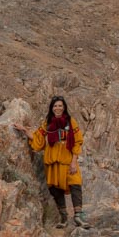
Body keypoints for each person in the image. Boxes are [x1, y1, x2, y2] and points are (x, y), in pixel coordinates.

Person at [14, 96, 89, 229]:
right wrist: (24, 130)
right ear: (51, 108)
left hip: (67, 160)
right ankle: (64, 217)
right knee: (55, 188)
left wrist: (73, 162)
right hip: (52, 161)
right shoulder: (47, 123)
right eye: (55, 106)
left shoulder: (71, 122)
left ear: (64, 107)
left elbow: (77, 142)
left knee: (75, 184)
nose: (57, 108)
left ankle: (78, 217)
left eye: (60, 105)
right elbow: (38, 139)